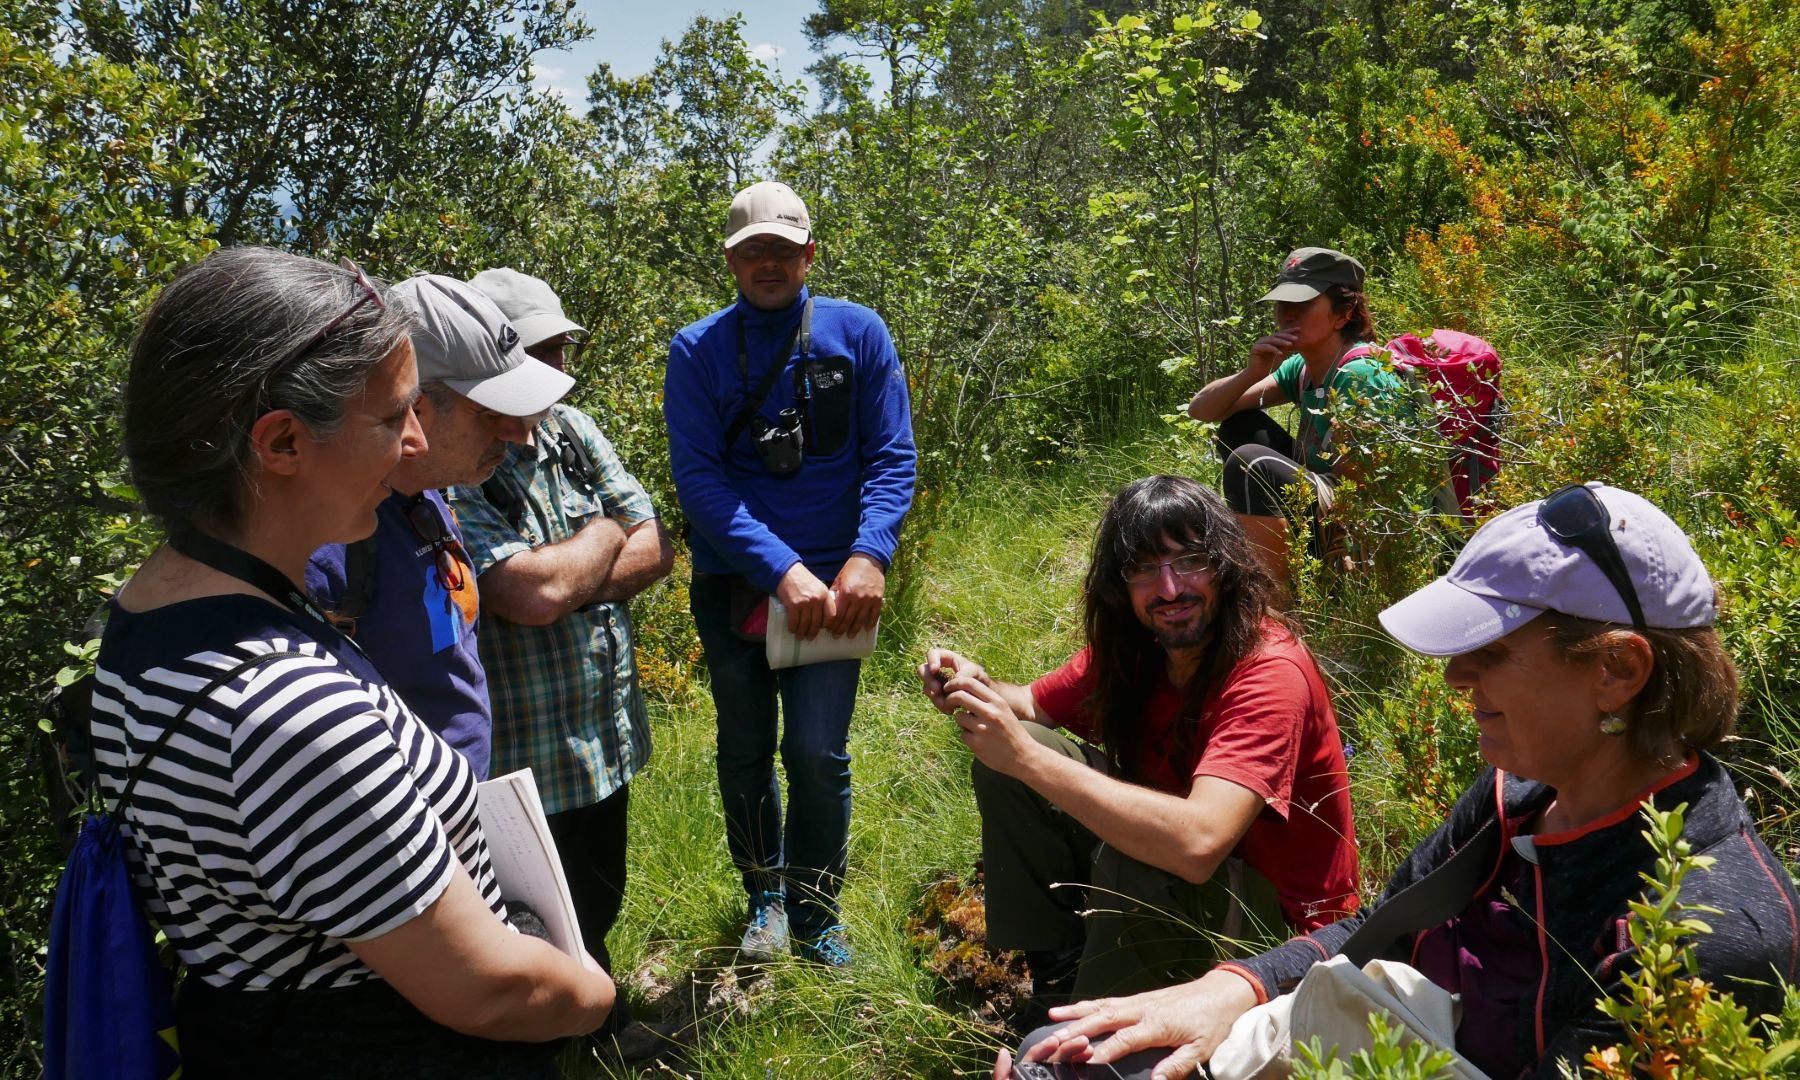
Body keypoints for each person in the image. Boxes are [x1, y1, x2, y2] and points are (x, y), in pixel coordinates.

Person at [1009, 483, 1800, 1080]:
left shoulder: (1698, 935)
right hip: (1357, 1034)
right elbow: (1379, 927)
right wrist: (1234, 987)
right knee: (1057, 1055)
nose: (1457, 679)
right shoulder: (1516, 799)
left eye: (1489, 651)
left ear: (1618, 670)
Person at [89, 247, 613, 1077]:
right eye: (391, 417)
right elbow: (487, 990)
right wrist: (587, 992)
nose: (412, 443)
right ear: (284, 440)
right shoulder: (291, 710)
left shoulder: (145, 620)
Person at [919, 476, 1360, 1008]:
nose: (1170, 588)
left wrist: (1026, 756)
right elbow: (1033, 707)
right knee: (1014, 762)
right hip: (1192, 883)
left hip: (1281, 939)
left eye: (1190, 560)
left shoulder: (1268, 670)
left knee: (1133, 849)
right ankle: (1058, 977)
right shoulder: (1143, 648)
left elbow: (1196, 846)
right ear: (1119, 584)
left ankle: (1076, 1043)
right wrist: (976, 685)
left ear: (1224, 567)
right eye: (1145, 569)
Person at [664, 180, 917, 966]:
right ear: (731, 263)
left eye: (781, 248)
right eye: (751, 252)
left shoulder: (858, 332)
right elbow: (699, 481)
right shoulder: (697, 350)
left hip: (840, 588)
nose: (767, 263)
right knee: (744, 745)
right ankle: (764, 899)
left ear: (810, 253)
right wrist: (781, 571)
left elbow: (892, 455)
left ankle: (815, 910)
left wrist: (870, 553)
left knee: (816, 751)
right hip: (736, 585)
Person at [456, 267, 674, 1000]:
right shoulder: (460, 464)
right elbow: (529, 593)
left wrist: (570, 577)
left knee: (598, 892)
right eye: (537, 353)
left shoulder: (572, 430)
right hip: (523, 751)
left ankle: (592, 1011)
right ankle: (561, 1031)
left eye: (561, 351)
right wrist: (605, 534)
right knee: (532, 913)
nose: (554, 371)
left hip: (602, 737)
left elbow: (657, 549)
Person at [306, 274, 569, 779]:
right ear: (415, 406)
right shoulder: (331, 544)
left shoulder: (431, 498)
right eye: (492, 414)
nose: (517, 432)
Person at [1187, 247, 1405, 581]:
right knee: (1238, 426)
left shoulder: (1361, 374)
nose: (1287, 314)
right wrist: (1252, 372)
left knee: (1251, 462)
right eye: (1282, 303)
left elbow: (1368, 488)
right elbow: (1202, 410)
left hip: (1366, 516)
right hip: (1327, 497)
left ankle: (1279, 603)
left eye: (1302, 304)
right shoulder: (1300, 369)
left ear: (1343, 314)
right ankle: (1279, 561)